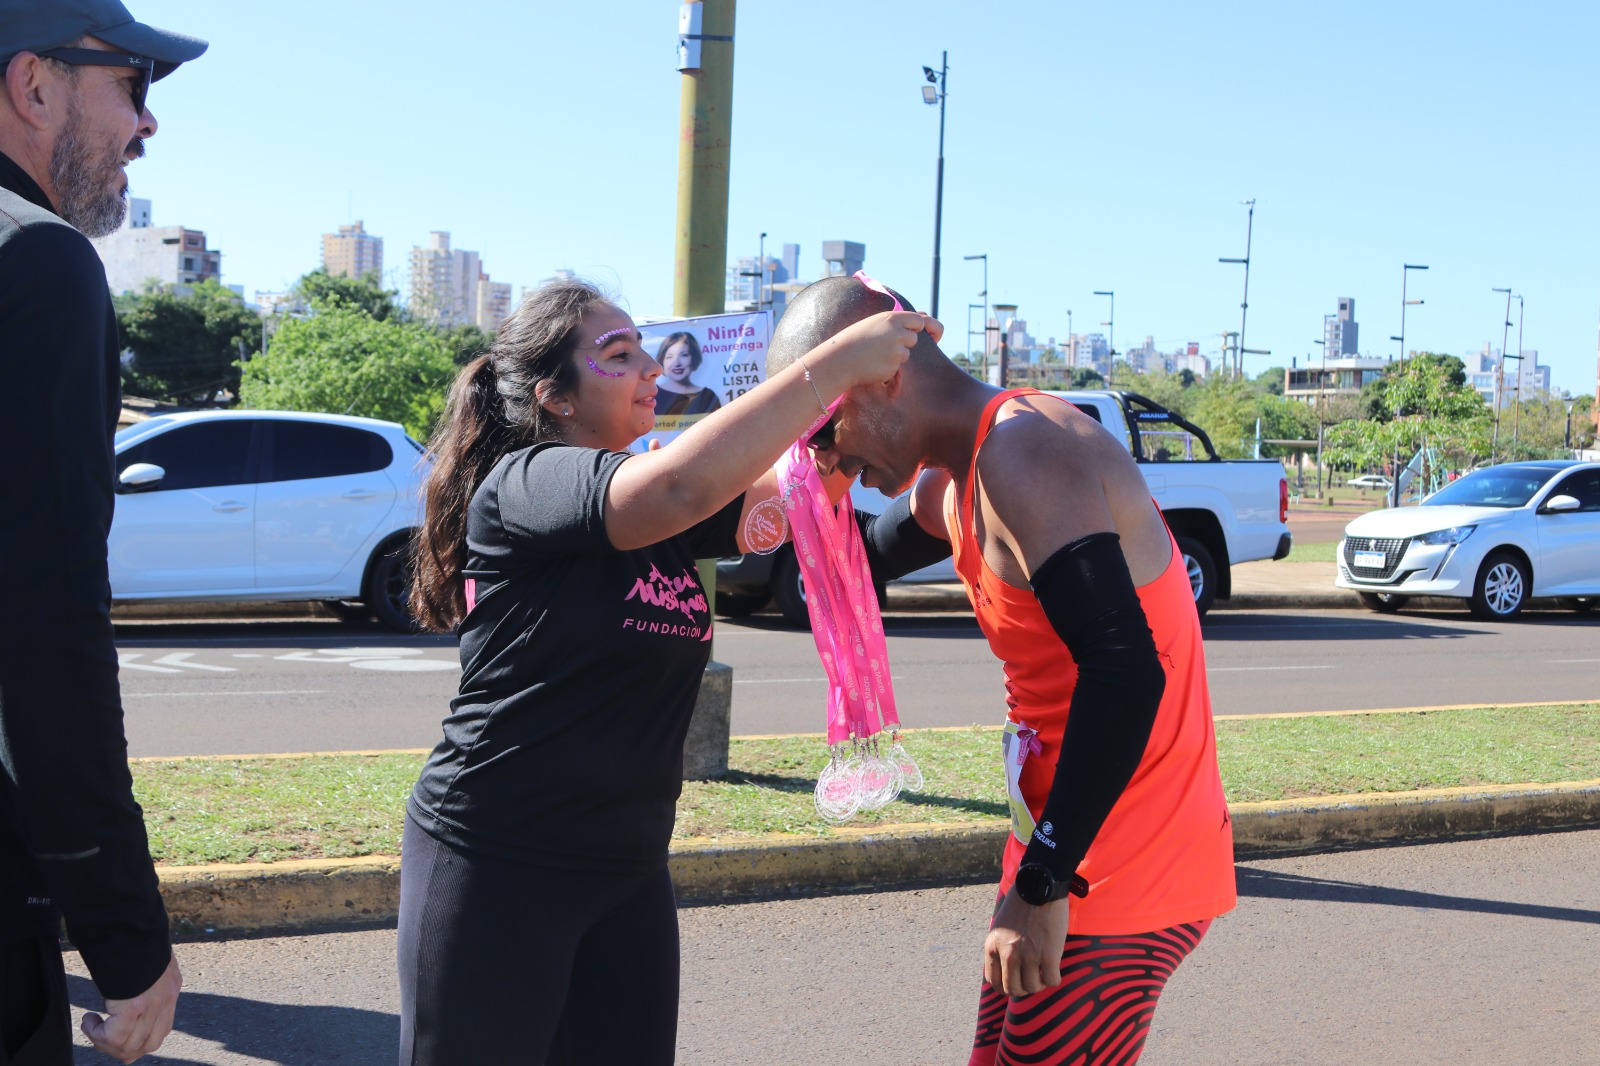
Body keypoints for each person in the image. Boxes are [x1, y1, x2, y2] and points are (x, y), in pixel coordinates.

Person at [398, 277, 936, 1064]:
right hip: (498, 865)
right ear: (555, 398)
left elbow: (832, 524)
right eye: (619, 355)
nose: (651, 366)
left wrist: (953, 481)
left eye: (645, 349)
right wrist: (834, 364)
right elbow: (680, 481)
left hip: (626, 870)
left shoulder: (663, 514)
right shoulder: (527, 484)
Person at [766, 275, 1236, 1066]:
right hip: (1063, 835)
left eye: (820, 427)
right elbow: (852, 562)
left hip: (1119, 856)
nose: (823, 453)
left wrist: (1046, 882)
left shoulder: (1024, 454)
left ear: (884, 375)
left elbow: (1127, 675)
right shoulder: (954, 476)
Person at [0, 3, 205, 1063]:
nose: (146, 123)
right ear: (33, 86)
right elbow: (41, 623)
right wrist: (124, 935)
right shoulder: (38, 262)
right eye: (132, 83)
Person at [653, 330, 722, 417]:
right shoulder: (652, 396)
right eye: (669, 357)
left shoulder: (708, 397)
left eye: (684, 355)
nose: (676, 363)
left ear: (694, 358)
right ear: (661, 361)